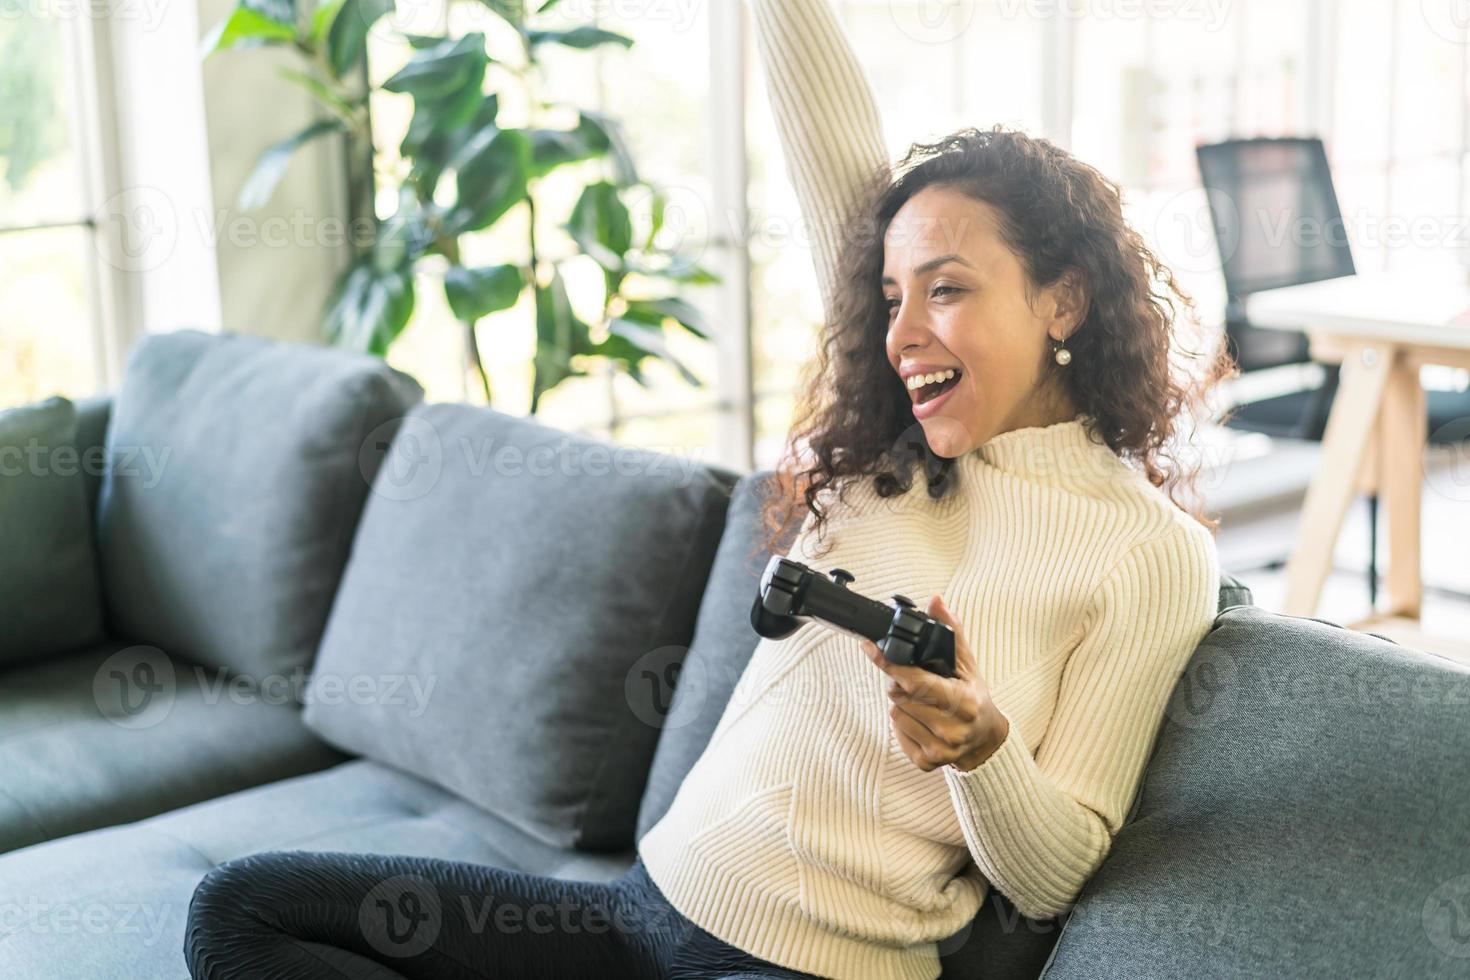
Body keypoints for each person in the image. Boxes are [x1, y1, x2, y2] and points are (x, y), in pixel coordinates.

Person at [183, 1, 1234, 978]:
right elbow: (825, 139)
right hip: (641, 909)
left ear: (1066, 298)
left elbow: (1058, 872)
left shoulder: (1147, 553)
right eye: (888, 294)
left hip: (813, 964)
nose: (904, 332)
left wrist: (984, 748)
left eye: (948, 288)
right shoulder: (899, 456)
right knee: (241, 911)